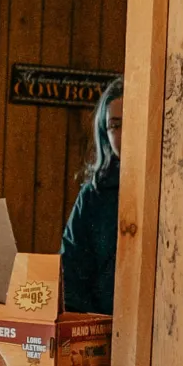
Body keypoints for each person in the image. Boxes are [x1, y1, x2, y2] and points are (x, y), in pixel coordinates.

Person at [59, 77, 123, 315]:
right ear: (105, 132)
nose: (123, 133)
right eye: (115, 125)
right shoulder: (93, 195)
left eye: (130, 122)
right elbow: (70, 272)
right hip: (101, 327)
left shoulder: (174, 191)